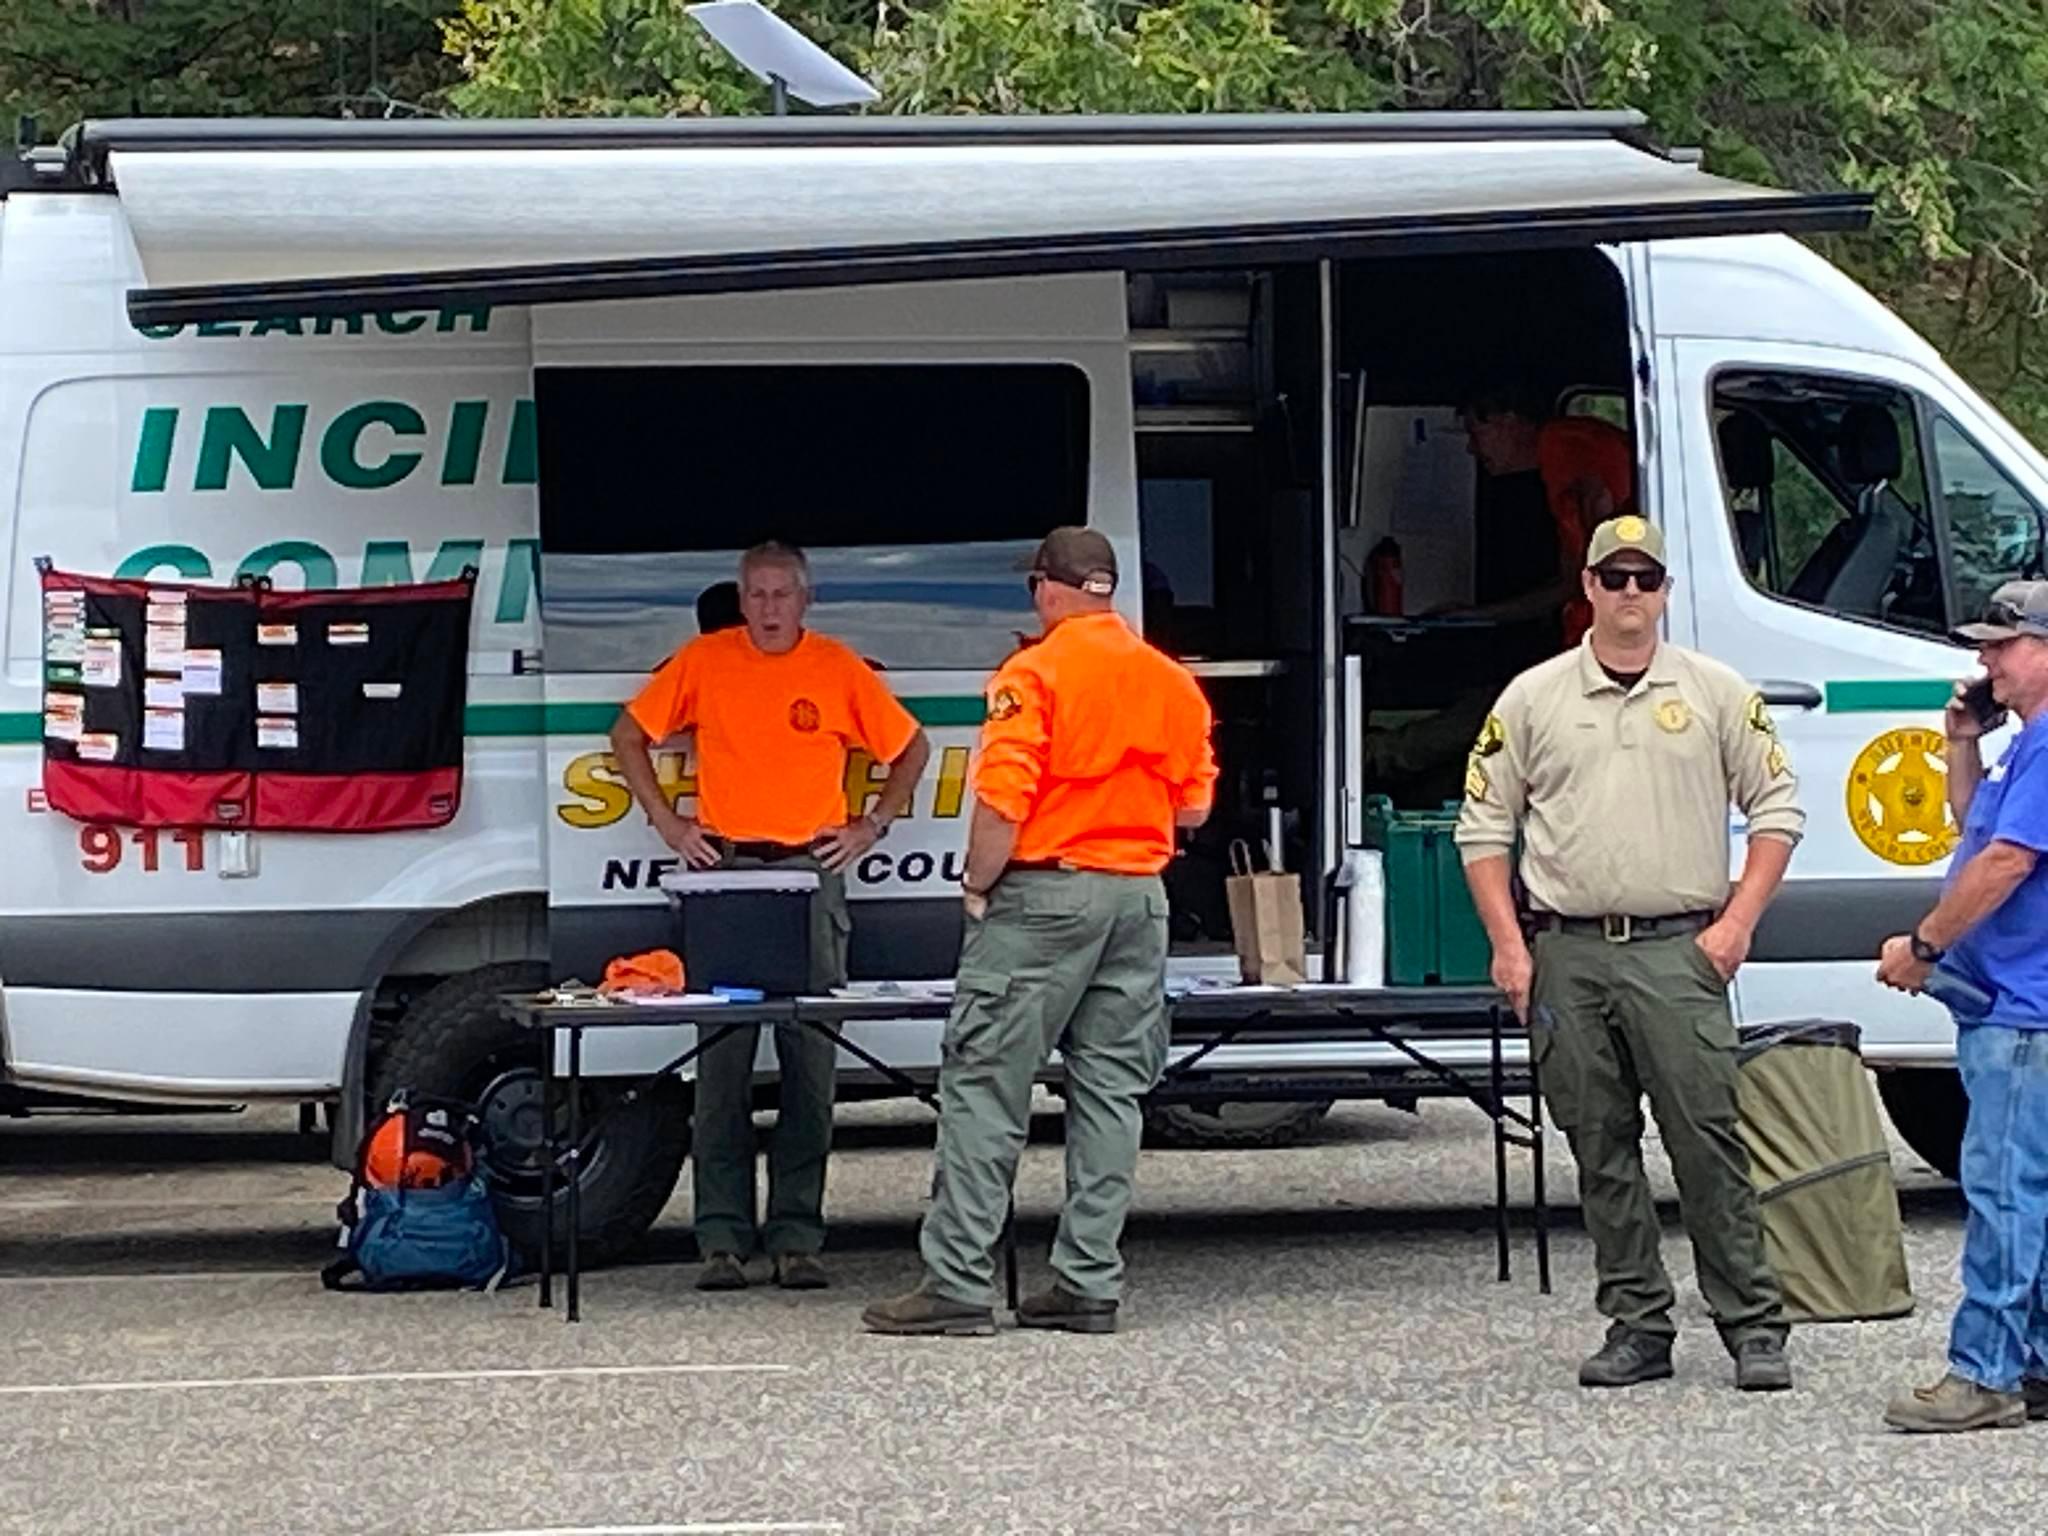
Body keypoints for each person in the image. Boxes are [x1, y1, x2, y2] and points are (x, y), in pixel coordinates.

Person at [1455, 515, 1804, 1392]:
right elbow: (1483, 827)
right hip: (1567, 953)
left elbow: (1778, 809)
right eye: (1615, 579)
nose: (1631, 595)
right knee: (1599, 1149)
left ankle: (1754, 1325)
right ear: (1588, 588)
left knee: (1708, 1143)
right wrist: (1509, 945)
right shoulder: (1531, 698)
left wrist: (1737, 924)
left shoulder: (1718, 691)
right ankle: (1637, 1323)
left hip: (1678, 948)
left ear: (1666, 593)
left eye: (1646, 579)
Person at [861, 527, 1217, 1337]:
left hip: (1045, 897)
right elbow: (1194, 806)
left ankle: (956, 1283)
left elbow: (1002, 803)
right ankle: (1087, 1280)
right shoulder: (1171, 682)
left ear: (1044, 589)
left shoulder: (1033, 674)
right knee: (1112, 1091)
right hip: (1139, 897)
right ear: (1109, 590)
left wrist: (976, 883)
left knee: (986, 1083)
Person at [611, 541, 932, 1292]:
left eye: (781, 594)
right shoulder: (704, 660)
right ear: (741, 597)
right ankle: (721, 1238)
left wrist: (870, 825)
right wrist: (667, 823)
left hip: (807, 873)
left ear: (805, 599)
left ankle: (797, 1236)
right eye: (755, 594)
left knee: (809, 1064)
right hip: (725, 873)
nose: (768, 609)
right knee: (720, 1066)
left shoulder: (836, 666)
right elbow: (628, 736)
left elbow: (911, 748)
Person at [1877, 580, 2048, 1433]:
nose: (1984, 661)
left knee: (2004, 1192)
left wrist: (1926, 947)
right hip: (2010, 1003)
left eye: (2002, 647)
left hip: (2023, 1009)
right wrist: (1962, 744)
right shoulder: (2025, 747)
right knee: (2027, 1190)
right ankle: (2037, 1363)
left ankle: (1983, 1373)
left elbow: (2006, 864)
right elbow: (1974, 830)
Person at [1360, 385, 1636, 802]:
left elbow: (1604, 524)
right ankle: (1391, 771)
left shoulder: (1563, 444)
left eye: (1476, 432)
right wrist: (1479, 613)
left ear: (1507, 421)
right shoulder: (1551, 480)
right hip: (1581, 644)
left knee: (1501, 709)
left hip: (1602, 652)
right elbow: (1566, 582)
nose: (1471, 449)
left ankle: (1376, 755)